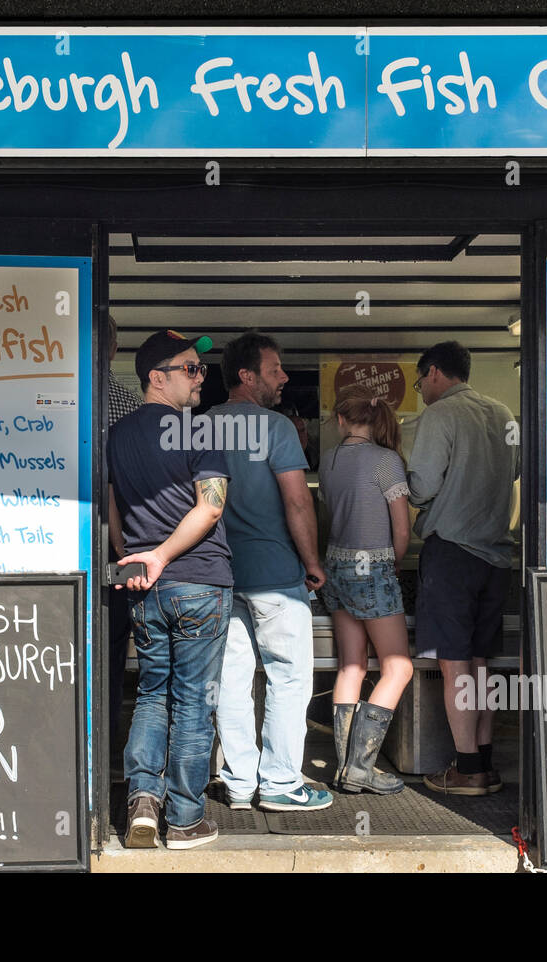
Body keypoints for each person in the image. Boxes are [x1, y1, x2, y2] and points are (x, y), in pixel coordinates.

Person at [108, 328, 231, 850]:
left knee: (153, 694)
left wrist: (134, 557)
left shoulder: (114, 436)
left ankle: (141, 801)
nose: (199, 377)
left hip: (145, 588)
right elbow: (211, 505)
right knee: (193, 701)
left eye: (200, 368)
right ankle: (184, 819)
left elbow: (111, 509)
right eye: (189, 368)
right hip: (199, 581)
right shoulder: (199, 432)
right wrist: (160, 555)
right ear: (156, 378)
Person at [208, 332, 332, 812]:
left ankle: (238, 783)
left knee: (231, 680)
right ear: (247, 376)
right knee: (288, 677)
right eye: (275, 369)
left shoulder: (200, 426)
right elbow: (298, 501)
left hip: (220, 574)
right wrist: (313, 562)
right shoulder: (276, 428)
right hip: (277, 575)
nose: (284, 378)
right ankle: (280, 783)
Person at [406, 341, 519, 796]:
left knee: (454, 666)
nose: (421, 392)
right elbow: (512, 473)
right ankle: (486, 763)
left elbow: (421, 487)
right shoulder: (504, 414)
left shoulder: (440, 417)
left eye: (419, 383)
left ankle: (466, 768)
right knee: (482, 663)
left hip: (452, 553)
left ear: (434, 372)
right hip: (497, 556)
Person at [318, 385, 413, 795]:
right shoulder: (386, 461)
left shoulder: (328, 460)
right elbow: (402, 528)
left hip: (336, 565)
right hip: (373, 566)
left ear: (341, 420)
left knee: (351, 666)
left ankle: (344, 769)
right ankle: (360, 768)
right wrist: (395, 563)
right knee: (398, 667)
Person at [104, 314, 141, 754]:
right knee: (113, 650)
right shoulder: (129, 406)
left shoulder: (55, 397)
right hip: (121, 548)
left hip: (50, 541)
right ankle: (107, 743)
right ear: (114, 349)